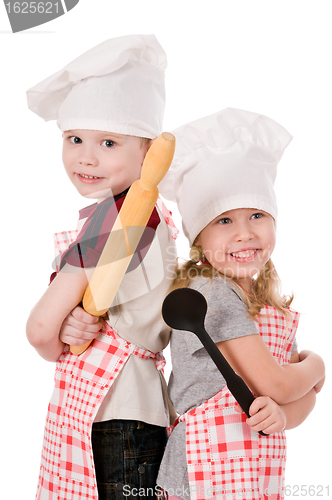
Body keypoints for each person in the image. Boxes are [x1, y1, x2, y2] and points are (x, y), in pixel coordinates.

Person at [26, 35, 177, 500]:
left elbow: (39, 329)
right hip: (141, 409)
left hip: (111, 413)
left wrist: (58, 336)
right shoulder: (157, 213)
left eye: (108, 142)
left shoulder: (115, 217)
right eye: (74, 139)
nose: (85, 157)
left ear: (148, 153)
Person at [156, 108, 325, 500]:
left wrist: (284, 414)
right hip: (204, 466)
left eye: (256, 214)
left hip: (253, 463)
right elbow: (279, 383)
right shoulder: (213, 293)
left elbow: (296, 401)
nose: (245, 233)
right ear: (198, 238)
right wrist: (317, 366)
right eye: (224, 221)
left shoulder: (269, 304)